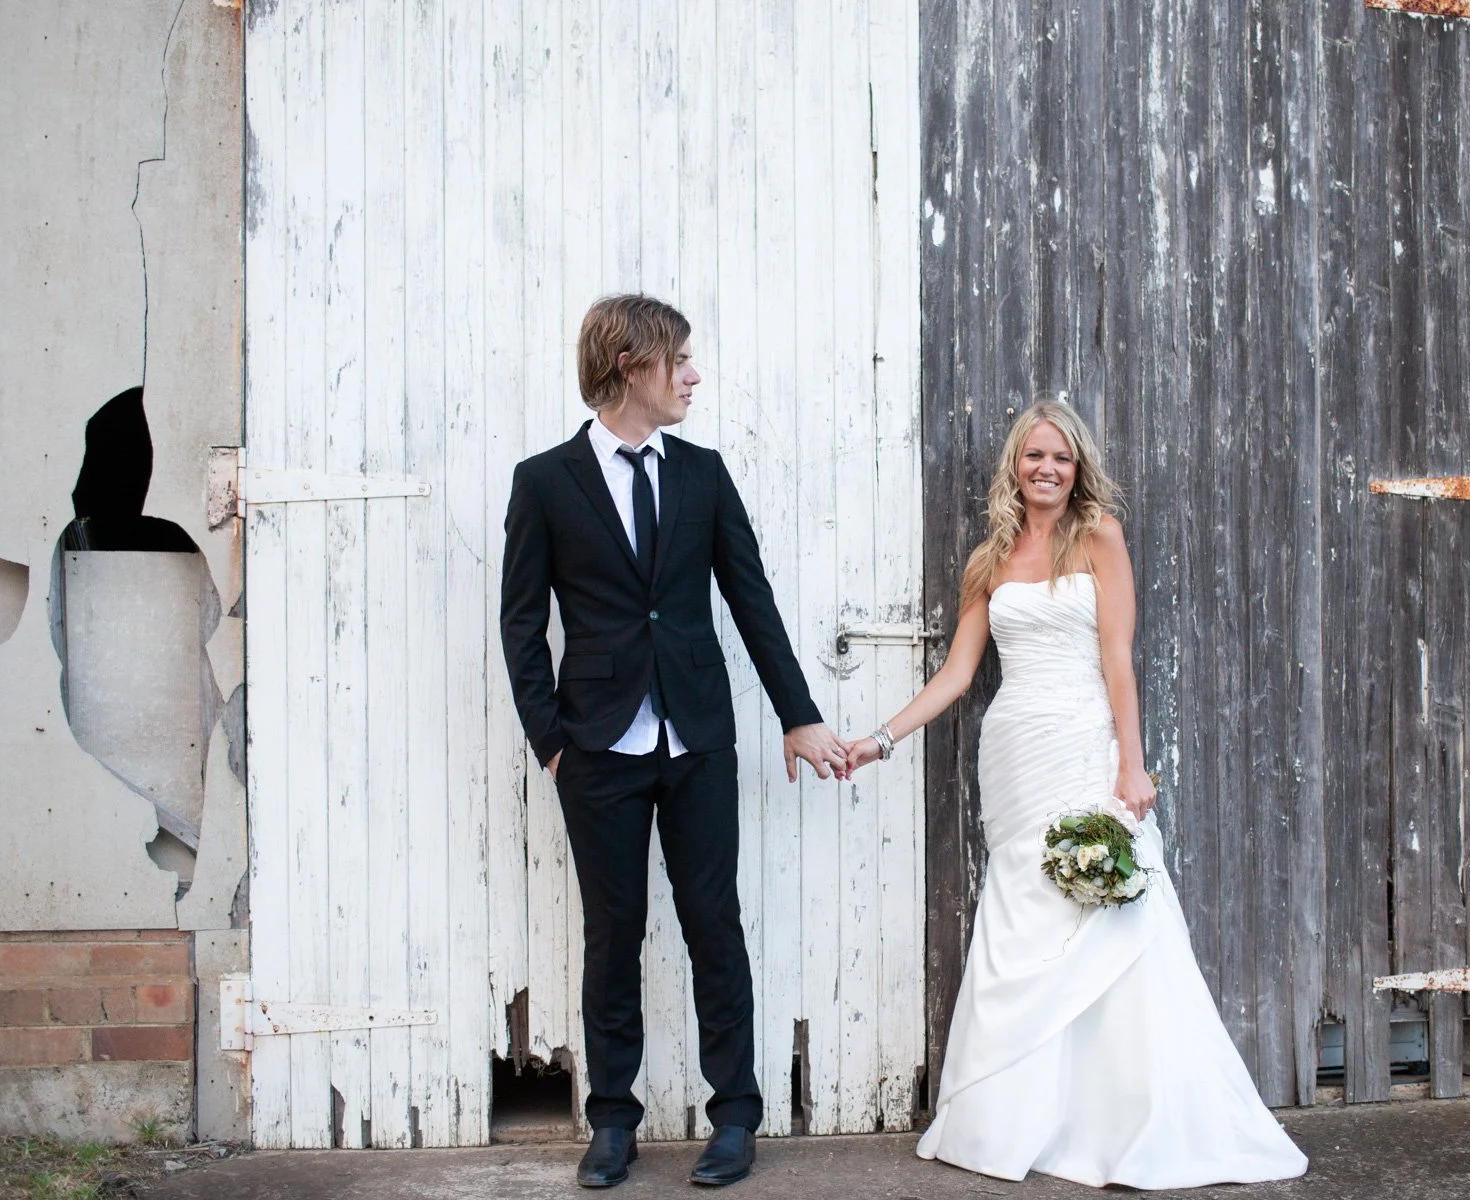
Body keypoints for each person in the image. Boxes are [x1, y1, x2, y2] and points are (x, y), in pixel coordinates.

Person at [843, 401, 1308, 1189]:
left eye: (1060, 457)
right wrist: (878, 740)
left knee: (1107, 912)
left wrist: (1133, 764)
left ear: (1077, 465)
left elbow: (1118, 661)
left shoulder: (1100, 538)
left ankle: (1119, 1119)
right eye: (1034, 458)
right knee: (1025, 915)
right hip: (1018, 753)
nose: (1047, 469)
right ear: (1015, 468)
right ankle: (1016, 1118)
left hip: (1085, 746)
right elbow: (958, 676)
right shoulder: (988, 559)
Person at [500, 294, 848, 1188]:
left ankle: (734, 1117)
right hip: (597, 749)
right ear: (629, 366)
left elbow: (750, 599)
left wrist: (798, 714)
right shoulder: (544, 482)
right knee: (614, 934)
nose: (693, 376)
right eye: (679, 361)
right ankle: (611, 1122)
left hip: (697, 739)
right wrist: (553, 742)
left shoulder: (703, 473)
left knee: (713, 926)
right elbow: (520, 624)